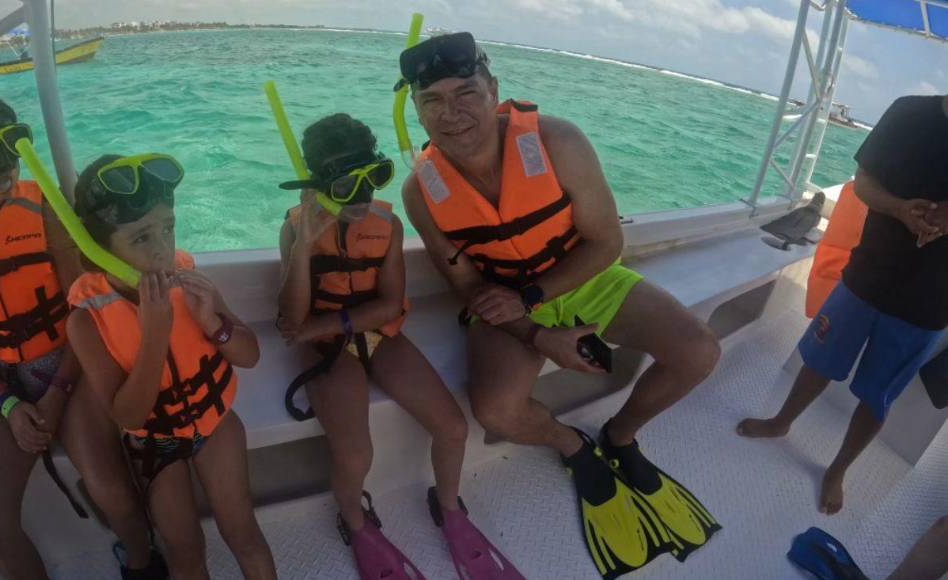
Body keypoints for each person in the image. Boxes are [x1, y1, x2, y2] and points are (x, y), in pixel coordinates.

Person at [397, 33, 722, 577]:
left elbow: (607, 243)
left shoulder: (557, 142)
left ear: (494, 90)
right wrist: (535, 331)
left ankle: (619, 437)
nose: (452, 114)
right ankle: (572, 445)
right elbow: (468, 287)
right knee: (496, 411)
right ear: (417, 110)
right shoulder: (419, 192)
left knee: (699, 352)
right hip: (503, 302)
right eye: (433, 101)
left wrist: (536, 295)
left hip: (582, 275)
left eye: (466, 94)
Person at [0, 91, 165, 580]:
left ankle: (143, 564)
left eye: (12, 143)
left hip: (72, 366)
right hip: (9, 383)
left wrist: (56, 396)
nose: (4, 164)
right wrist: (7, 403)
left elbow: (85, 312)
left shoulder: (47, 211)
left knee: (108, 485)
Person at [276, 113, 522, 579]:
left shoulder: (387, 226)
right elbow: (292, 319)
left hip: (371, 333)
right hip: (326, 345)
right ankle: (355, 521)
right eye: (349, 186)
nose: (365, 197)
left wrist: (325, 324)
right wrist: (303, 248)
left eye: (375, 178)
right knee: (355, 455)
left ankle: (448, 507)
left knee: (451, 427)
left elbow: (389, 306)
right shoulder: (296, 228)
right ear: (322, 185)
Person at [65, 153, 277, 580]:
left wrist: (213, 323)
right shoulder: (87, 321)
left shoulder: (189, 280)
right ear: (99, 248)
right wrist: (156, 335)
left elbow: (249, 356)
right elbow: (128, 415)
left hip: (215, 427)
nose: (163, 248)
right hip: (156, 445)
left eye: (168, 227)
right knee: (184, 553)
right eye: (142, 238)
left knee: (244, 533)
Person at [738, 94, 948, 514]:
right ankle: (782, 422)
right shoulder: (910, 112)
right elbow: (864, 181)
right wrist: (901, 210)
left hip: (932, 303)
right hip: (868, 275)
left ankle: (837, 469)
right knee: (819, 359)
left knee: (878, 395)